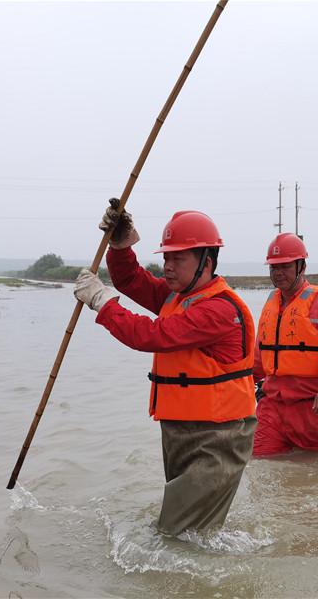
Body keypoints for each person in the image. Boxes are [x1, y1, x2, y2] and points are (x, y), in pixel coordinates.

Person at [73, 200, 257, 535]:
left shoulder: (219, 310)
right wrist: (121, 244)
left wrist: (102, 302)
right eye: (166, 257)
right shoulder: (175, 298)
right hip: (181, 431)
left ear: (207, 259)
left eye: (177, 257)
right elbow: (130, 279)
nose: (168, 266)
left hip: (217, 437)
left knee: (177, 536)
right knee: (190, 533)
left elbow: (149, 335)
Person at [252, 233, 318, 457]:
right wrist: (240, 384)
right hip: (271, 406)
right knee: (259, 462)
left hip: (312, 408)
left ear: (301, 266)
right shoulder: (271, 302)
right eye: (274, 267)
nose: (278, 273)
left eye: (285, 266)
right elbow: (259, 354)